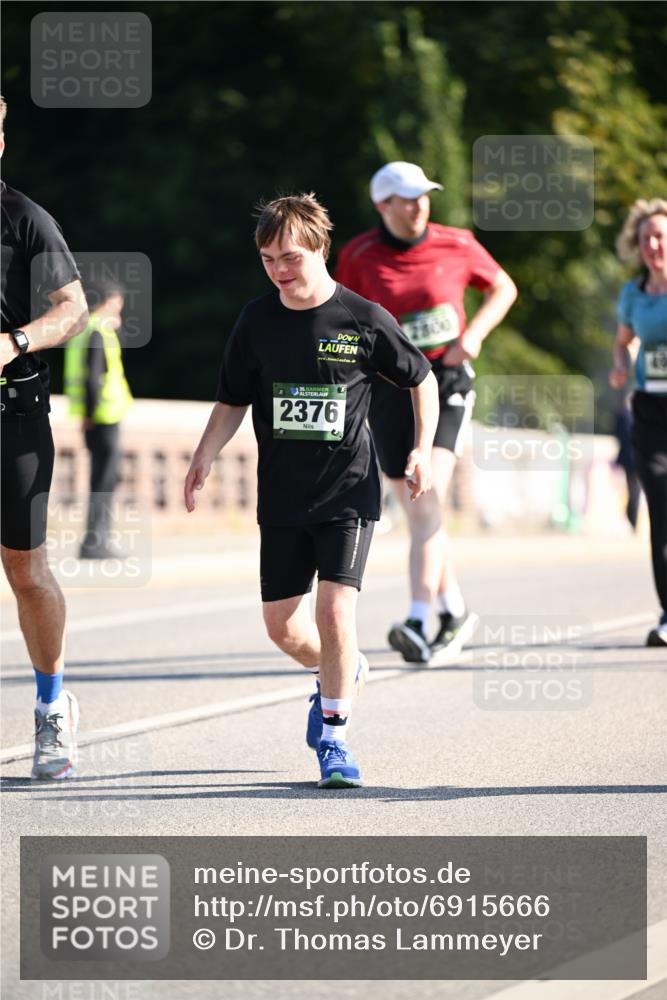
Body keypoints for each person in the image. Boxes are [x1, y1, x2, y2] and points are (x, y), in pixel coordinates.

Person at [184, 193, 438, 788]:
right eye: (269, 259)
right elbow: (232, 400)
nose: (279, 269)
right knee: (282, 628)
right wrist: (203, 454)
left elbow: (421, 376)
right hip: (282, 495)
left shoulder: (362, 317)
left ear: (320, 250)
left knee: (334, 610)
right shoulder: (256, 320)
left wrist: (422, 447)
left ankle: (335, 738)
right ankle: (339, 671)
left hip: (349, 491)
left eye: (291, 257)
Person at [336, 161, 517, 664]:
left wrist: (474, 334)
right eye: (407, 198)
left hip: (446, 382)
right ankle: (454, 612)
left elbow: (504, 286)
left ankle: (417, 619)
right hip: (389, 393)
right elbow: (342, 317)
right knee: (422, 515)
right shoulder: (358, 255)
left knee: (426, 492)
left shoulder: (456, 243)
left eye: (424, 196)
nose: (418, 206)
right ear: (383, 205)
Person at [0, 95, 88, 777]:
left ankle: (52, 707)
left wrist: (15, 341)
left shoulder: (25, 218)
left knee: (25, 569)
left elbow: (73, 310)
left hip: (13, 415)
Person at [610, 198, 667, 647]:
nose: (653, 244)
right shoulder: (632, 293)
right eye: (646, 237)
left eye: (660, 236)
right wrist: (621, 364)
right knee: (660, 510)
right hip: (650, 410)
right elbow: (624, 341)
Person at [64, 278, 133, 558]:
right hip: (103, 418)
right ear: (108, 302)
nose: (120, 309)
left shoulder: (87, 330)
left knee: (103, 478)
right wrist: (90, 415)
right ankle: (96, 542)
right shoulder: (98, 332)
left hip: (97, 418)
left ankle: (96, 540)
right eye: (117, 304)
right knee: (104, 480)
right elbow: (93, 378)